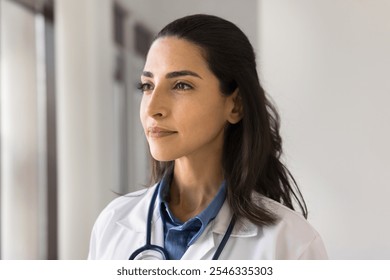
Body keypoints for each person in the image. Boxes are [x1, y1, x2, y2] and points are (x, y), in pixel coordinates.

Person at [88, 14, 327, 260]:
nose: (152, 109)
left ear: (235, 105)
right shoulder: (113, 223)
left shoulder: (292, 244)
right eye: (147, 86)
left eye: (181, 85)